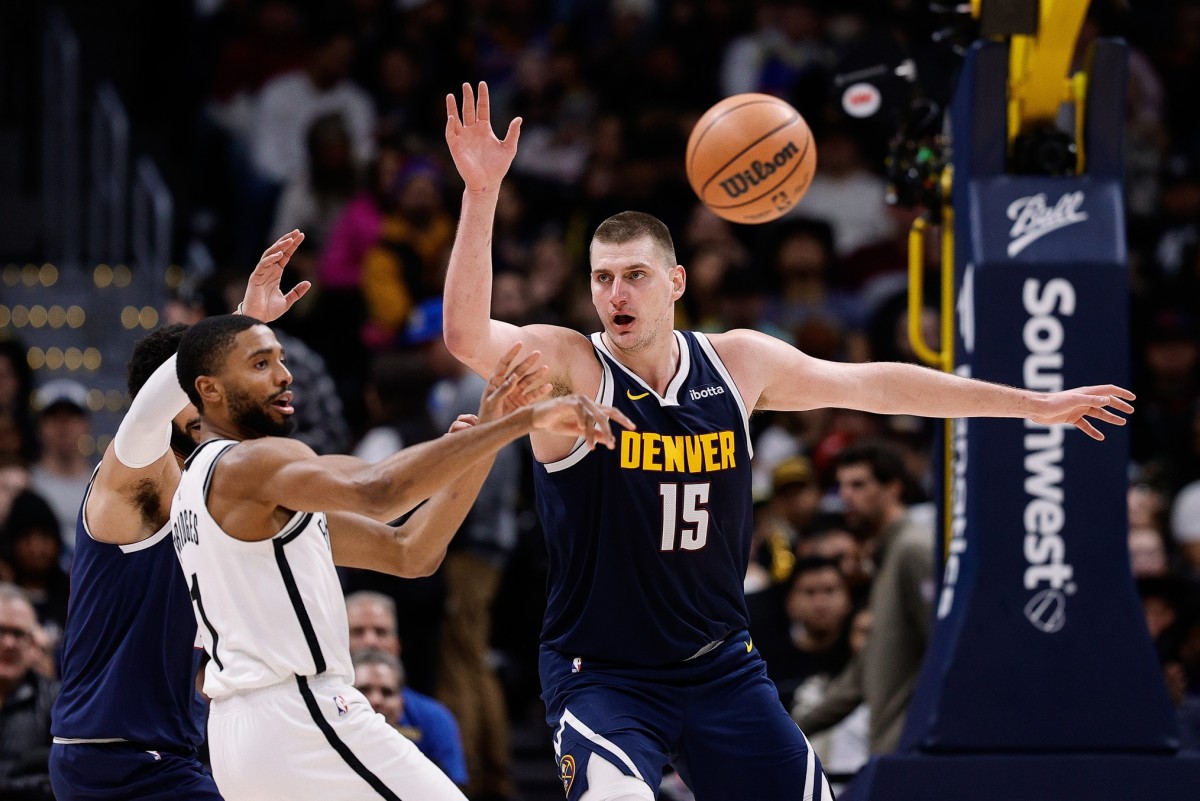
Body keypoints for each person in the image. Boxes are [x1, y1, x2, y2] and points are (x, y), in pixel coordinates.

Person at [441, 81, 1136, 801]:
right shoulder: (570, 365)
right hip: (605, 675)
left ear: (676, 282)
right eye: (603, 279)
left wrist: (1031, 405)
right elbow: (465, 336)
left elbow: (875, 385)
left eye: (635, 276)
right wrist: (482, 193)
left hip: (719, 667)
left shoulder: (738, 364)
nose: (617, 295)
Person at [169, 313, 631, 801]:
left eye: (281, 360)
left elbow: (409, 552)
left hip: (241, 734)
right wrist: (524, 421)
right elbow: (379, 491)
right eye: (261, 364)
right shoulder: (252, 463)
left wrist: (484, 441)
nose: (284, 375)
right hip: (299, 713)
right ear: (209, 389)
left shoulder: (209, 489)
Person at [49, 231, 311, 801]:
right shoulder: (130, 478)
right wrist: (241, 321)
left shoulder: (209, 492)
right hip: (114, 756)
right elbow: (147, 417)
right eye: (205, 388)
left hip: (166, 752)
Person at [352, 647, 468, 788]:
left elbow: (453, 787)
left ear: (402, 700)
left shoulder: (435, 718)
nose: (376, 700)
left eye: (387, 692)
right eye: (364, 690)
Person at [0, 583, 57, 801]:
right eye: (1, 631)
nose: (9, 643)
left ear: (33, 643)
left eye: (18, 634)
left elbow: (67, 778)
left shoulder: (55, 701)